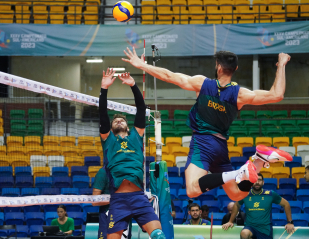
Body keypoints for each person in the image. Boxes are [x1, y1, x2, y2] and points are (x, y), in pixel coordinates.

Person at [122, 48, 293, 202]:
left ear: (218, 67)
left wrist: (141, 65)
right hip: (220, 146)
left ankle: (239, 173)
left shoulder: (202, 83)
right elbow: (276, 95)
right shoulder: (240, 94)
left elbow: (169, 76)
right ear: (236, 69)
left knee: (192, 189)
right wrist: (282, 65)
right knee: (237, 194)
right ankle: (258, 161)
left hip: (203, 143)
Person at [99, 68, 165, 239]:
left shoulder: (136, 136)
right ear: (111, 127)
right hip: (118, 200)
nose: (119, 120)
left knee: (158, 235)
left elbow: (141, 109)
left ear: (128, 126)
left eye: (122, 119)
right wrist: (104, 88)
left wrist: (133, 85)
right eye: (115, 120)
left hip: (138, 197)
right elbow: (102, 114)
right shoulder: (108, 141)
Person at [222, 173, 294, 239]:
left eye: (259, 180)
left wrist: (289, 222)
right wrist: (230, 221)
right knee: (244, 234)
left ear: (263, 182)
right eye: (255, 180)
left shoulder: (270, 194)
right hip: (250, 227)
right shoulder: (245, 194)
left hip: (265, 229)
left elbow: (286, 204)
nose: (257, 182)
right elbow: (236, 205)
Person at [93, 167, 132, 239]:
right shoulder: (103, 172)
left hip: (125, 214)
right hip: (108, 215)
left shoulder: (128, 171)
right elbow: (94, 201)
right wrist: (116, 199)